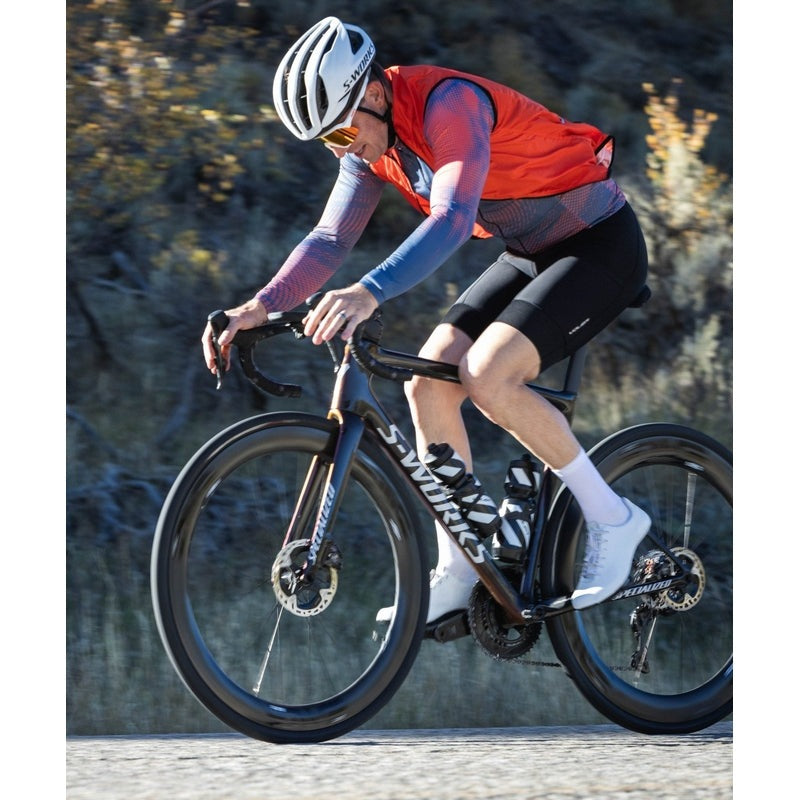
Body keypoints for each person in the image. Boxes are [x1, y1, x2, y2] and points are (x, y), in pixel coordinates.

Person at [202, 16, 651, 621]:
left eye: (342, 131)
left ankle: (613, 519)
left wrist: (369, 291)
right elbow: (330, 238)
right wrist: (260, 305)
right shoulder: (370, 145)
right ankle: (461, 568)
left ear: (373, 93)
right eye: (327, 143)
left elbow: (454, 218)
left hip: (598, 242)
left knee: (488, 374)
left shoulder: (449, 103)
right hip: (529, 250)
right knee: (428, 382)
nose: (342, 149)